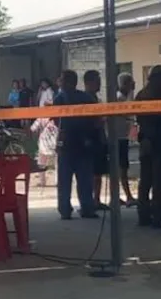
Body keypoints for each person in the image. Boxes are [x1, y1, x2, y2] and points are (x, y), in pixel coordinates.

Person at [55, 70, 98, 220]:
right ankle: (87, 208)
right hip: (82, 143)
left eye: (62, 80)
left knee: (65, 180)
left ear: (68, 82)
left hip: (68, 143)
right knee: (84, 179)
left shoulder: (60, 98)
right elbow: (94, 120)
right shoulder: (85, 98)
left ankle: (65, 209)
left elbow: (56, 121)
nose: (60, 82)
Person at [135, 65, 161, 227]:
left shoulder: (142, 94)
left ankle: (143, 214)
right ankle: (158, 214)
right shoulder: (157, 96)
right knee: (159, 180)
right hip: (158, 141)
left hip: (146, 140)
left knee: (146, 180)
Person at [82, 70, 109, 210]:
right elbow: (88, 121)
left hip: (98, 137)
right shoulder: (86, 99)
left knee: (98, 172)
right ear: (89, 82)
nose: (99, 84)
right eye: (97, 81)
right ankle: (91, 201)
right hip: (91, 139)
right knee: (92, 172)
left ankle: (96, 200)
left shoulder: (95, 98)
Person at [31, 79, 59, 188]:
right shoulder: (57, 118)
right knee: (57, 163)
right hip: (55, 143)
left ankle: (42, 182)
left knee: (41, 163)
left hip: (43, 143)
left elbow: (33, 128)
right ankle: (58, 181)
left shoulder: (41, 117)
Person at [115, 73, 137, 207]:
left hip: (123, 135)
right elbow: (128, 111)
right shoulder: (119, 98)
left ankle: (122, 195)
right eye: (131, 82)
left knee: (122, 167)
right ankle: (127, 195)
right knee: (122, 167)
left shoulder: (124, 97)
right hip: (118, 137)